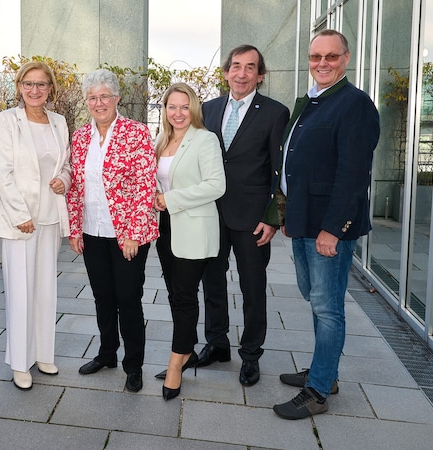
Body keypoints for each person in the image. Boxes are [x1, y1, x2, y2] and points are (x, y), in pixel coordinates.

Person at [273, 29, 379, 419]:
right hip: (303, 221)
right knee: (314, 298)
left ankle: (318, 391)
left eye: (330, 57)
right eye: (316, 57)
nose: (322, 63)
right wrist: (287, 215)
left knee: (328, 306)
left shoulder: (354, 104)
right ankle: (325, 371)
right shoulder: (314, 101)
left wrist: (334, 228)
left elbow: (353, 174)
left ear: (345, 59)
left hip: (327, 227)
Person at [197, 45, 290, 386]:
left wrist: (273, 216)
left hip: (253, 219)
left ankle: (251, 355)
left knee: (253, 288)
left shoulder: (275, 113)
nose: (241, 73)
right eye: (235, 66)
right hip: (210, 214)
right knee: (212, 282)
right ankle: (217, 343)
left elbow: (280, 170)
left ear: (260, 76)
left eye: (250, 68)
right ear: (225, 72)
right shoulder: (208, 109)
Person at [66, 68, 158, 393]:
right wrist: (75, 229)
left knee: (129, 298)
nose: (99, 102)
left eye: (105, 96)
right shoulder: (79, 138)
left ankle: (134, 365)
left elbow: (145, 185)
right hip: (92, 231)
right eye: (92, 97)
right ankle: (107, 353)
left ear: (116, 98)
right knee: (102, 297)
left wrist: (133, 232)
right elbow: (75, 187)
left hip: (128, 234)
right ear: (87, 102)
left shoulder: (136, 133)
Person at [0, 62, 71, 390]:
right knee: (20, 291)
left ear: (50, 88)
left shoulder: (59, 122)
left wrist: (63, 180)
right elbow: (3, 171)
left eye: (41, 84)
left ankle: (42, 354)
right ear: (19, 87)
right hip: (20, 220)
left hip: (50, 216)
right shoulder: (7, 120)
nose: (35, 90)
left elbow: (67, 163)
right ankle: (20, 362)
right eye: (29, 84)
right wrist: (19, 213)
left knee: (45, 290)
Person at [153, 83, 225, 400]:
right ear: (165, 109)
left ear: (193, 108)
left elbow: (216, 186)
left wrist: (171, 199)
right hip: (166, 228)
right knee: (175, 295)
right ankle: (187, 351)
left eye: (184, 107)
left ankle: (175, 363)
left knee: (183, 297)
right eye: (172, 107)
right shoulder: (162, 139)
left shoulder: (205, 139)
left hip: (193, 228)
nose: (178, 113)